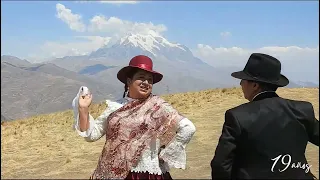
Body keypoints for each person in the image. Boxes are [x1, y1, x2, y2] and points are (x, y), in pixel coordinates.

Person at [72, 55, 196, 180]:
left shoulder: (158, 107)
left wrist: (166, 154)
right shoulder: (115, 106)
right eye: (141, 78)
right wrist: (83, 109)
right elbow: (91, 135)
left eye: (150, 80)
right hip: (110, 172)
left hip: (143, 174)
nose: (146, 83)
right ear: (129, 81)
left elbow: (188, 128)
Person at [210, 53, 319, 179]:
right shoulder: (302, 110)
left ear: (255, 85)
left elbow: (220, 165)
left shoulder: (237, 117)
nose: (240, 84)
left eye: (243, 80)